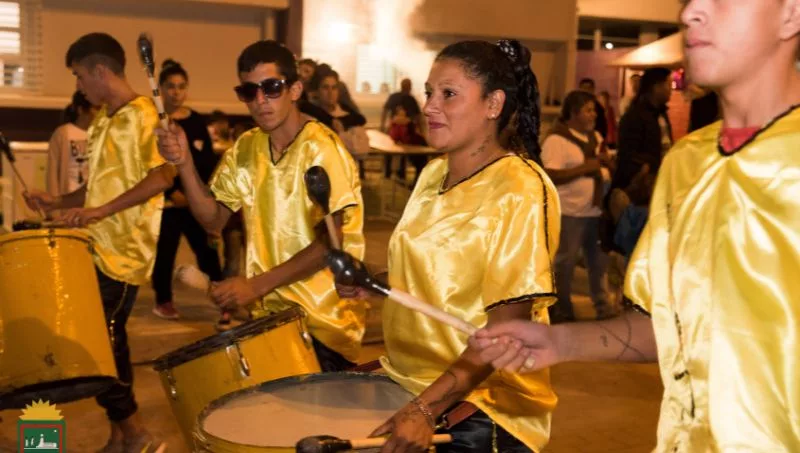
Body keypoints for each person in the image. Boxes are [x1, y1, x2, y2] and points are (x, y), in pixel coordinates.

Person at [472, 0, 800, 451]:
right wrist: (559, 341)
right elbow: (669, 327)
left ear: (791, 14)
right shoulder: (687, 162)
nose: (690, 12)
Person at [339, 39, 559, 453]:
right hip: (410, 382)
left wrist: (426, 408)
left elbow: (506, 334)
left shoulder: (520, 188)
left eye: (448, 94)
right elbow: (438, 282)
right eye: (429, 93)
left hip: (484, 404)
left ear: (493, 104)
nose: (428, 107)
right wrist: (373, 282)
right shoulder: (431, 174)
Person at [155, 40, 366, 371]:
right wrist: (184, 163)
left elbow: (330, 241)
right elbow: (212, 219)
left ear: (295, 89)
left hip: (322, 322)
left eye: (272, 88)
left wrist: (254, 285)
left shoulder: (322, 148)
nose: (260, 100)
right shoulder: (247, 147)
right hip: (270, 317)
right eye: (249, 91)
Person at [24, 32, 175, 452]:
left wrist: (101, 212)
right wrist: (56, 201)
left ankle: (138, 433)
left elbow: (163, 176)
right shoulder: (104, 120)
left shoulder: (144, 115)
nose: (78, 85)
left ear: (100, 70)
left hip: (123, 253)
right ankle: (121, 435)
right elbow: (96, 189)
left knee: (104, 346)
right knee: (106, 344)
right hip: (93, 245)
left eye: (78, 75)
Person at [150, 59, 223, 322]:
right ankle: (163, 300)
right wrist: (172, 193)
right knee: (165, 252)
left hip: (195, 202)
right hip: (169, 204)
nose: (176, 92)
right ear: (160, 89)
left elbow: (207, 163)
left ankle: (222, 297)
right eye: (171, 86)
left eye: (181, 86)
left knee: (208, 252)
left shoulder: (197, 122)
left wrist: (204, 194)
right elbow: (150, 163)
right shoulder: (153, 122)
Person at [542, 90, 614, 323]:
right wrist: (586, 168)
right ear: (574, 113)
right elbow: (550, 175)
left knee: (598, 263)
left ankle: (603, 307)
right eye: (588, 110)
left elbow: (603, 167)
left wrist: (607, 165)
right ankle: (561, 309)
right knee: (565, 264)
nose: (594, 115)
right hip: (569, 212)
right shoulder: (557, 140)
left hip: (595, 212)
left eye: (594, 110)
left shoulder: (595, 137)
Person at [611, 67, 673, 193]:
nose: (670, 90)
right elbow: (627, 155)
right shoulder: (635, 116)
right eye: (668, 85)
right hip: (642, 186)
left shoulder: (661, 114)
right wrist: (647, 168)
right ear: (656, 87)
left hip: (660, 180)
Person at [47, 91, 98, 197]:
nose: (100, 113)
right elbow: (53, 172)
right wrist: (54, 202)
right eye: (96, 108)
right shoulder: (64, 133)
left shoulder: (100, 133)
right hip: (68, 198)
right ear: (81, 110)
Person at [317, 69, 369, 157]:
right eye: (325, 88)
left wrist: (340, 134)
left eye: (334, 88)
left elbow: (362, 150)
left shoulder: (350, 116)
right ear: (317, 91)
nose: (330, 92)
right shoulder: (310, 115)